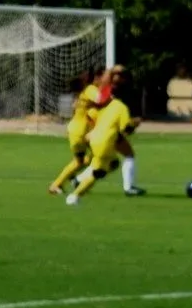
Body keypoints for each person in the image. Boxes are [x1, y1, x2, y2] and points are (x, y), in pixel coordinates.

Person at [64, 73, 140, 205]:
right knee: (99, 171)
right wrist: (134, 123)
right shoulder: (121, 107)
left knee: (112, 164)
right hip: (104, 141)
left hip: (94, 138)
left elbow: (91, 115)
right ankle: (75, 196)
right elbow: (127, 130)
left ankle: (78, 181)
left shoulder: (104, 106)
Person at [47, 65, 110, 195]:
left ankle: (67, 180)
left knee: (87, 159)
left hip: (78, 130)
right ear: (97, 77)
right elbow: (100, 99)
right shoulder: (91, 89)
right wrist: (109, 88)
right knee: (94, 157)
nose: (106, 78)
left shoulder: (87, 90)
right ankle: (62, 183)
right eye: (105, 76)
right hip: (81, 131)